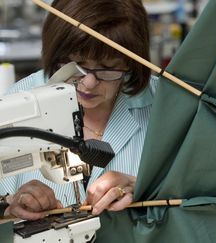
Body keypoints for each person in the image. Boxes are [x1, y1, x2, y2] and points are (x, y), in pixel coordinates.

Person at [0, 0, 154, 220]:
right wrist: (9, 207)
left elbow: (201, 193)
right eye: (77, 64)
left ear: (131, 62)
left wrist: (144, 187)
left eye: (108, 68)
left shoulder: (165, 108)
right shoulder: (16, 102)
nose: (89, 83)